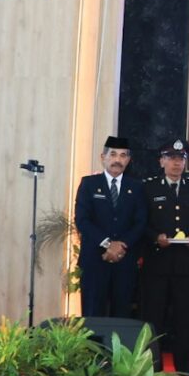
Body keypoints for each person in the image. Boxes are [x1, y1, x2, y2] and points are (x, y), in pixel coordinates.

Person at [140, 139, 189, 376]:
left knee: (185, 319)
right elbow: (141, 223)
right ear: (161, 161)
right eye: (171, 158)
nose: (177, 163)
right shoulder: (148, 188)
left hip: (185, 265)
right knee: (153, 318)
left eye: (181, 159)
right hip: (157, 263)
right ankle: (150, 370)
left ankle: (186, 369)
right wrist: (155, 237)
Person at [73, 136, 147, 317]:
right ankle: (91, 347)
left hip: (125, 261)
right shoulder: (89, 184)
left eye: (123, 156)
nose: (117, 160)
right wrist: (108, 244)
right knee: (92, 314)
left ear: (128, 160)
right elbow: (82, 220)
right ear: (103, 157)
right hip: (95, 260)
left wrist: (121, 245)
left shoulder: (136, 187)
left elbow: (141, 222)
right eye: (113, 154)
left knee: (121, 314)